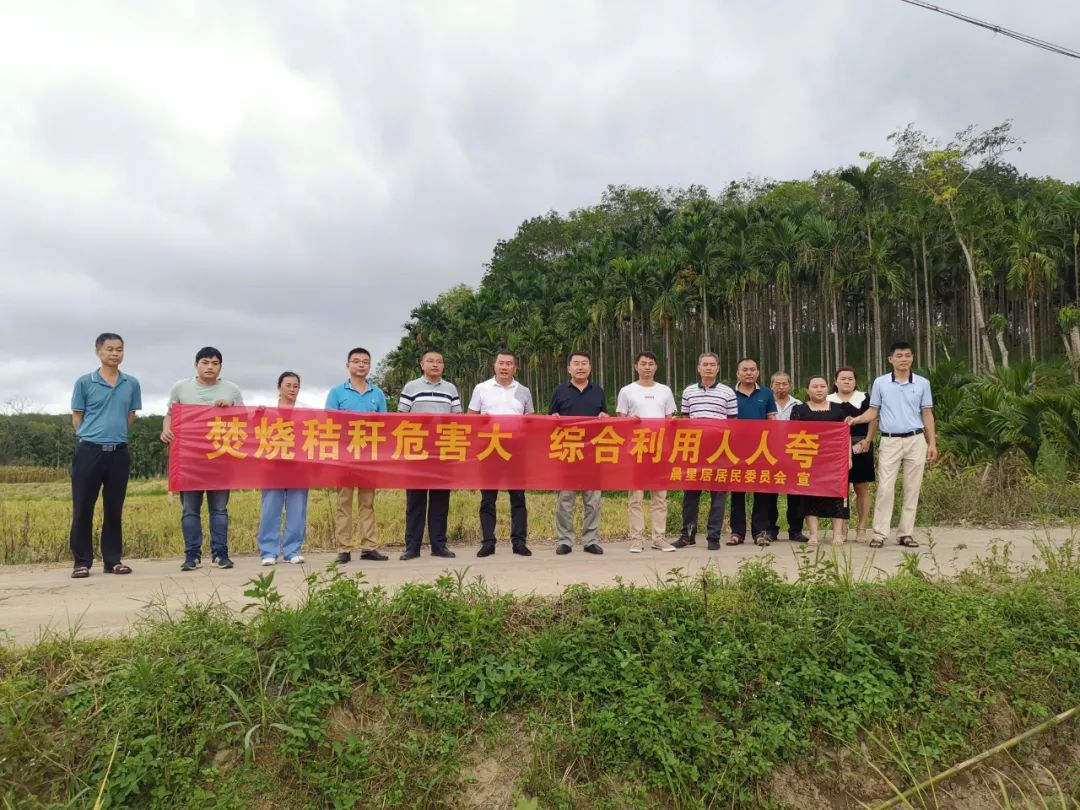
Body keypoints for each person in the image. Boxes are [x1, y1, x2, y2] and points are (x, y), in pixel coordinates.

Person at [847, 341, 937, 549]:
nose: (904, 359)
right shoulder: (881, 383)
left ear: (912, 358)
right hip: (890, 440)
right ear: (890, 359)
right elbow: (873, 411)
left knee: (912, 488)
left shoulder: (922, 383)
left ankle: (906, 533)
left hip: (916, 439)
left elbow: (927, 414)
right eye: (899, 356)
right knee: (886, 487)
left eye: (907, 355)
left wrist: (931, 442)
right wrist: (856, 419)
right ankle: (879, 534)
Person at [161, 346, 244, 571]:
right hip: (190, 461)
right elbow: (170, 415)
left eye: (215, 363)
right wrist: (166, 430)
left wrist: (229, 409)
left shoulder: (231, 390)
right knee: (190, 510)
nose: (210, 367)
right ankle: (192, 555)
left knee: (219, 510)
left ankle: (220, 554)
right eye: (205, 362)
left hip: (220, 459)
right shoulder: (181, 387)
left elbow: (244, 420)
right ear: (196, 365)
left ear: (220, 367)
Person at [68, 333, 142, 578]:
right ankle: (82, 562)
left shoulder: (131, 383)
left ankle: (112, 561)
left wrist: (115, 435)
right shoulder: (84, 382)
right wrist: (91, 436)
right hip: (89, 451)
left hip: (118, 452)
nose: (115, 353)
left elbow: (131, 416)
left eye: (119, 349)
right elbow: (77, 417)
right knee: (83, 508)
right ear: (98, 351)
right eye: (109, 349)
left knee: (114, 508)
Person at [468, 349, 535, 557]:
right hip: (490, 449)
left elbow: (531, 420)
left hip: (516, 451)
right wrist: (481, 421)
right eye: (501, 363)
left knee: (518, 497)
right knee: (488, 498)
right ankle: (488, 542)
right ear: (494, 366)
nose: (504, 367)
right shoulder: (482, 388)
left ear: (515, 367)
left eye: (508, 364)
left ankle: (519, 542)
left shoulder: (523, 391)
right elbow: (470, 417)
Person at [326, 347, 388, 563]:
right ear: (348, 365)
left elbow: (384, 424)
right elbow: (329, 422)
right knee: (344, 502)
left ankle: (369, 547)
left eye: (365, 362)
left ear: (369, 366)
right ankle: (344, 549)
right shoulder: (337, 392)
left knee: (367, 503)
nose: (361, 365)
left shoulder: (377, 393)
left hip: (369, 456)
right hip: (345, 455)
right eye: (356, 361)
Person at [398, 349, 461, 560]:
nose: (435, 364)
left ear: (443, 366)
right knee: (415, 501)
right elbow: (400, 416)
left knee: (440, 501)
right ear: (422, 364)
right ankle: (412, 547)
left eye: (439, 362)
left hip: (442, 450)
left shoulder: (450, 389)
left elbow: (458, 419)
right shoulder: (411, 387)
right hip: (416, 450)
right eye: (431, 361)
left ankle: (439, 545)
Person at [673, 352, 737, 551]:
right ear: (698, 368)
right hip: (694, 450)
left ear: (718, 368)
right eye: (705, 364)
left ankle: (713, 537)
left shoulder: (728, 392)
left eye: (712, 364)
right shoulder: (689, 391)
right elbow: (685, 419)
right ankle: (688, 536)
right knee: (691, 494)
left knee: (718, 495)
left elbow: (733, 423)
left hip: (719, 451)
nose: (708, 368)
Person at [616, 351, 678, 553]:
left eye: (651, 364)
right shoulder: (627, 391)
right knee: (636, 497)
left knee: (660, 497)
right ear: (636, 366)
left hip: (659, 450)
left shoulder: (665, 391)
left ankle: (659, 538)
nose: (647, 367)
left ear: (656, 367)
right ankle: (637, 539)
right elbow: (620, 421)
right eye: (643, 364)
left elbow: (670, 419)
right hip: (636, 449)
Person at [549, 351, 607, 555]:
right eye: (576, 363)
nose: (580, 367)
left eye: (584, 363)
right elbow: (550, 420)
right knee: (565, 500)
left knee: (593, 500)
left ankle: (590, 540)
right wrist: (554, 418)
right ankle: (565, 540)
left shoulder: (598, 391)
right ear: (569, 368)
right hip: (567, 452)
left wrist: (604, 416)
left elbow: (604, 416)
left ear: (590, 368)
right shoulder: (559, 391)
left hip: (592, 453)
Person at [791, 376, 851, 546]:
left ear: (828, 388)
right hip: (809, 460)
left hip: (834, 461)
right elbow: (792, 435)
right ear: (808, 389)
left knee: (837, 496)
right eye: (815, 386)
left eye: (822, 386)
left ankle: (837, 534)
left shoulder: (838, 409)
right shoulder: (799, 410)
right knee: (810, 497)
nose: (819, 389)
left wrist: (848, 457)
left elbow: (846, 435)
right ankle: (813, 535)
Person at [257, 372, 308, 566]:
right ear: (279, 387)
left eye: (296, 386)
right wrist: (257, 415)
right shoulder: (266, 409)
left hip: (298, 467)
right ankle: (268, 551)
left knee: (297, 509)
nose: (292, 389)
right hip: (272, 466)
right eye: (288, 385)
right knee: (270, 509)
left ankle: (292, 550)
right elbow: (253, 431)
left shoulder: (306, 411)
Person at [729, 357, 777, 546]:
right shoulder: (729, 393)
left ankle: (760, 532)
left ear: (758, 372)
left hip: (761, 450)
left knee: (761, 490)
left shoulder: (766, 393)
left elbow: (772, 420)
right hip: (734, 450)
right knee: (737, 492)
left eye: (752, 369)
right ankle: (737, 532)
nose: (749, 373)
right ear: (737, 373)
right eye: (745, 369)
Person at [828, 366, 876, 543]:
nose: (847, 381)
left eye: (850, 379)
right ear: (835, 381)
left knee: (861, 488)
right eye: (843, 378)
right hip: (835, 450)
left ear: (855, 382)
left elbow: (873, 419)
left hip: (861, 446)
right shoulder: (828, 400)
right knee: (839, 489)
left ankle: (861, 527)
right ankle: (841, 528)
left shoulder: (864, 398)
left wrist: (868, 441)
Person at [766, 371, 810, 543]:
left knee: (795, 494)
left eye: (784, 384)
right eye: (777, 384)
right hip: (769, 454)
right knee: (770, 494)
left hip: (794, 453)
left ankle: (796, 530)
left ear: (790, 386)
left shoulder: (799, 405)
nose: (781, 387)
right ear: (771, 386)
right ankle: (770, 529)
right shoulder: (766, 404)